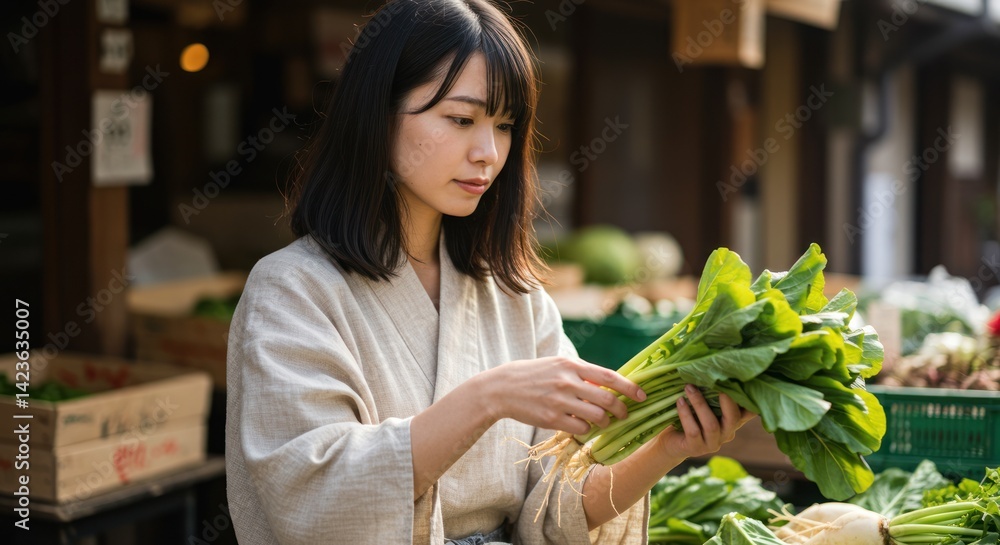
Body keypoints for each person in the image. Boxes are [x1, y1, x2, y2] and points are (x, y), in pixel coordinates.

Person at [225, 1, 754, 543]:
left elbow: (559, 503)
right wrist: (486, 398)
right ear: (376, 114)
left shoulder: (514, 296)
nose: (488, 153)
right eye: (460, 120)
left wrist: (668, 448)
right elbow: (312, 498)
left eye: (504, 126)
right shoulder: (291, 290)